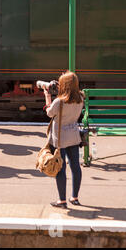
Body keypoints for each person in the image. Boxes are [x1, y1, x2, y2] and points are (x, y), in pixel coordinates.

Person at [44, 71, 84, 209]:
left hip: (60, 139)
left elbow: (49, 113)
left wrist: (47, 96)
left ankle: (62, 201)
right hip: (73, 136)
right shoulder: (80, 98)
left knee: (60, 168)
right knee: (75, 166)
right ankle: (75, 197)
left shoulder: (59, 102)